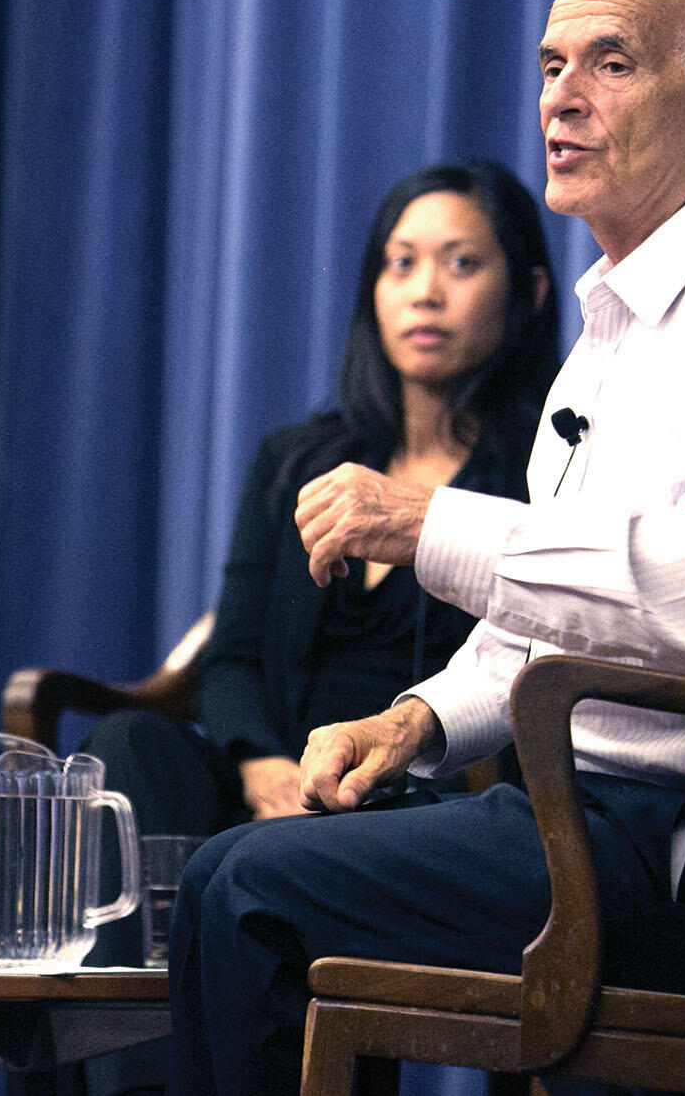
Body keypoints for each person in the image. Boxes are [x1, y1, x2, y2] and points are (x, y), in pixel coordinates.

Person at [167, 0, 685, 1096]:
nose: (561, 97)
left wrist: (431, 523)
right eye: (551, 65)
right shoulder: (607, 342)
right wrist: (415, 720)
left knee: (241, 886)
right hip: (598, 822)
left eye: (609, 63)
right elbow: (554, 622)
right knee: (244, 872)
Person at [81, 159, 559, 914]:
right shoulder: (298, 460)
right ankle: (123, 1026)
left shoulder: (544, 473)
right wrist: (260, 765)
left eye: (461, 264)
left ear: (528, 292)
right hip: (275, 789)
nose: (424, 291)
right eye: (400, 264)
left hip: (416, 797)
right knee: (132, 744)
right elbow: (231, 655)